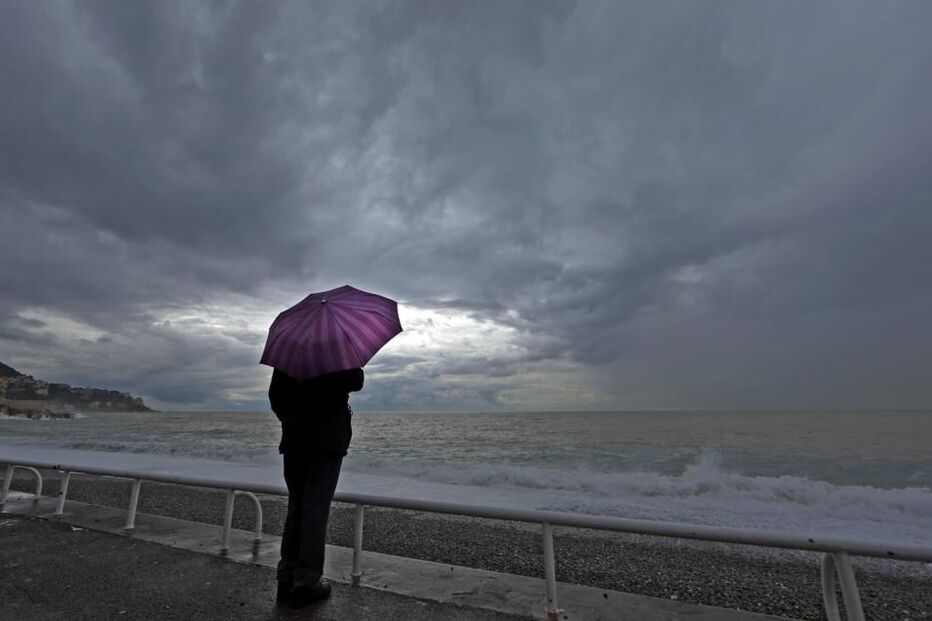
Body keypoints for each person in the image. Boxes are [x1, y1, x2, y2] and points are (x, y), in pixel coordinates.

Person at [269, 366, 364, 608]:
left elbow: (275, 397)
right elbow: (357, 381)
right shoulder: (338, 353)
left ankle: (286, 577)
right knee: (315, 509)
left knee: (297, 506)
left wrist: (293, 419)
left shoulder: (290, 355)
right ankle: (307, 581)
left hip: (295, 439)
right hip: (327, 440)